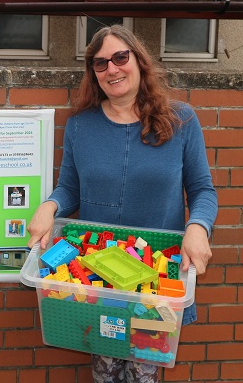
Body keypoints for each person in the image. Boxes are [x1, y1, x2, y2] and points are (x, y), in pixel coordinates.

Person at [27, 25, 217, 383]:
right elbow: (69, 187)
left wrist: (197, 227)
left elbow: (203, 190)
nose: (112, 69)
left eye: (120, 57)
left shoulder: (181, 119)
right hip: (99, 282)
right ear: (93, 74)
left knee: (145, 373)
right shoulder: (81, 126)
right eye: (100, 63)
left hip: (156, 282)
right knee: (107, 372)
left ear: (139, 62)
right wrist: (50, 206)